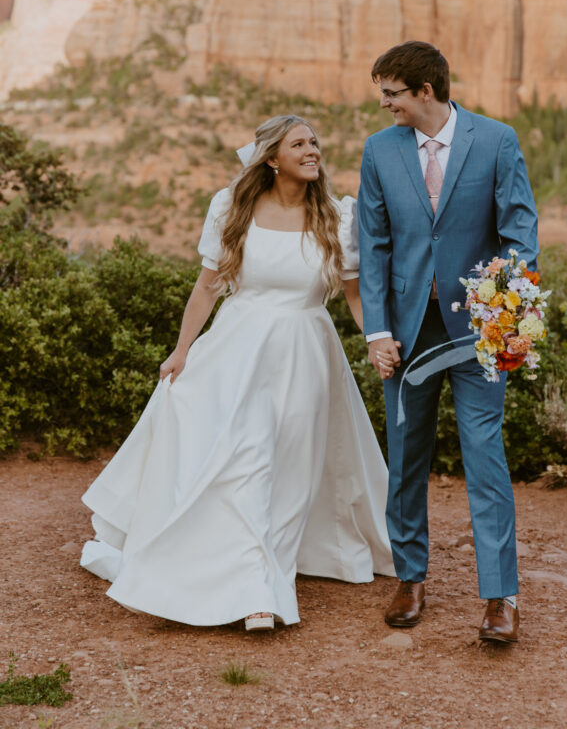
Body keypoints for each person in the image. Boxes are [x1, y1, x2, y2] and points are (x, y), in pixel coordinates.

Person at [81, 114, 394, 630]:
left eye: (314, 142)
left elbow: (355, 296)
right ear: (272, 158)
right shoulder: (233, 207)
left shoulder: (338, 217)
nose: (313, 150)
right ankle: (257, 594)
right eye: (299, 143)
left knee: (291, 468)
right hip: (237, 351)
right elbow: (207, 287)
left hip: (307, 355)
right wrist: (181, 351)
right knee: (248, 462)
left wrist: (376, 342)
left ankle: (272, 568)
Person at [357, 41, 538, 642]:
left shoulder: (496, 140)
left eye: (391, 94)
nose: (384, 104)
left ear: (425, 91)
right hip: (407, 334)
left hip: (480, 333)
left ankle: (500, 596)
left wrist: (507, 318)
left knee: (484, 456)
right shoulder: (380, 151)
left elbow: (519, 234)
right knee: (405, 455)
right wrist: (378, 331)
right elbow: (375, 245)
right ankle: (410, 576)